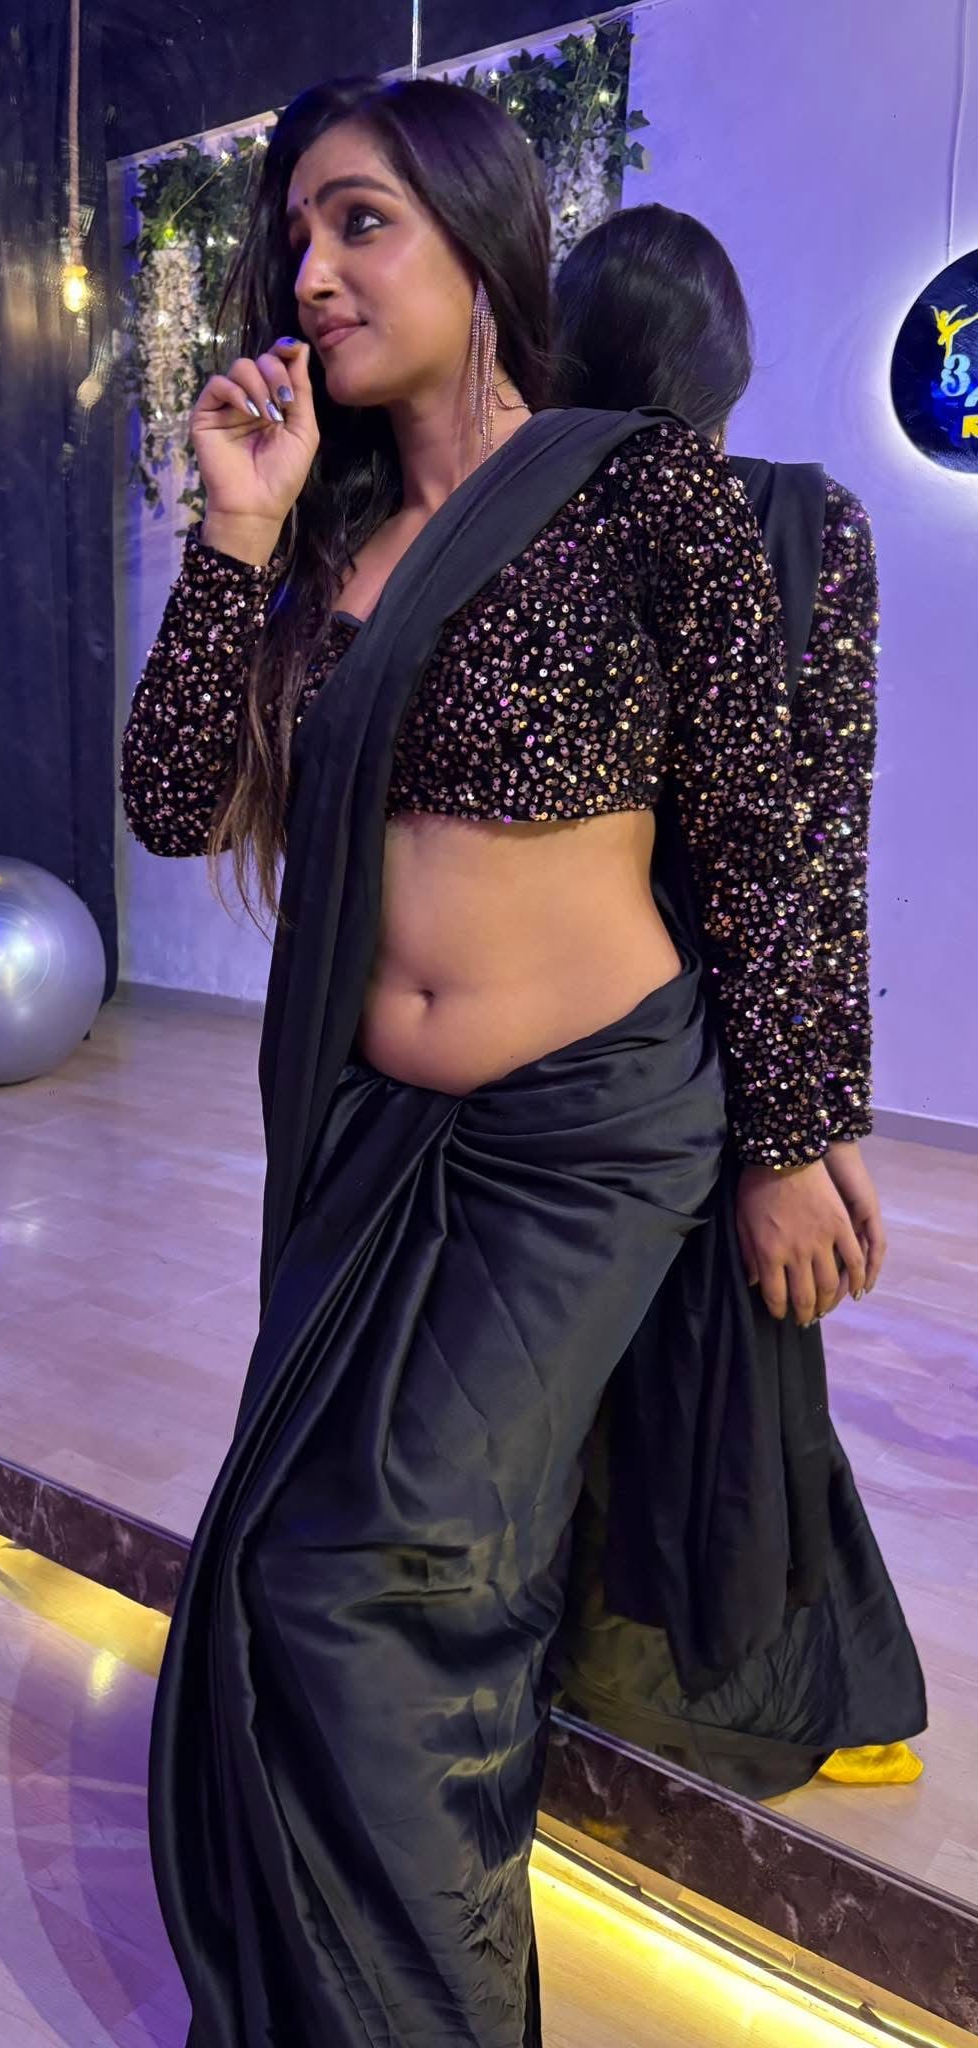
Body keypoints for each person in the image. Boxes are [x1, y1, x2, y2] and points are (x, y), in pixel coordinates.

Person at [122, 80, 914, 2047]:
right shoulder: (327, 532)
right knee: (284, 1564)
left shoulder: (640, 495)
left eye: (361, 221)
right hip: (368, 1132)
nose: (309, 270)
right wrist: (235, 529)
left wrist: (794, 1134)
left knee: (376, 1582)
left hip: (584, 1132)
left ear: (481, 246)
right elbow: (166, 800)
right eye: (294, 233)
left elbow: (768, 836)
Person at [551, 203, 924, 1799]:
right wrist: (816, 1121)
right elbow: (816, 850)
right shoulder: (802, 523)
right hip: (713, 1026)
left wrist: (810, 1132)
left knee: (631, 1362)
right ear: (735, 365)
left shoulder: (533, 518)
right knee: (725, 1368)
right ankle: (719, 1681)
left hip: (580, 1033)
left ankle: (622, 1679)